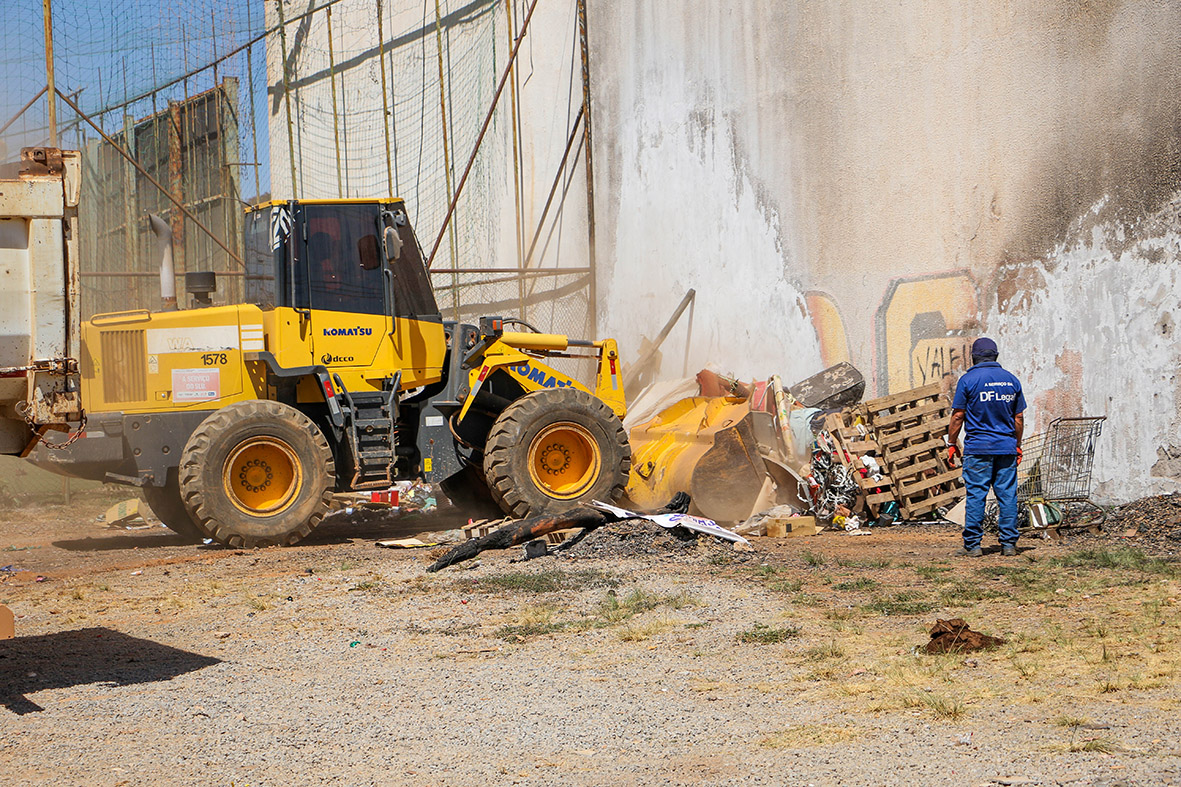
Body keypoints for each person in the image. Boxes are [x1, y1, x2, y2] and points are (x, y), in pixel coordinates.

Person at [947, 337, 1026, 557]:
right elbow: (1018, 417)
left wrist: (952, 443)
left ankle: (972, 546)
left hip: (978, 449)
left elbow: (958, 416)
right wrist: (1016, 445)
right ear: (996, 356)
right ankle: (1009, 545)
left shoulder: (968, 380)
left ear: (973, 357)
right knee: (1007, 496)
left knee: (976, 496)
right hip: (1006, 448)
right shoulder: (1011, 380)